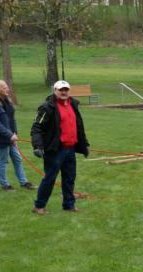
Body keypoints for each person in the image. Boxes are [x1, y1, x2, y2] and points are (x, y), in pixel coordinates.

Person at [30, 80, 90, 215]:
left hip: (70, 149)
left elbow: (78, 127)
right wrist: (37, 146)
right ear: (55, 91)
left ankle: (69, 205)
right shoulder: (47, 107)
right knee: (50, 179)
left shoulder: (73, 104)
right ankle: (39, 206)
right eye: (61, 90)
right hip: (55, 150)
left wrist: (84, 144)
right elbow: (36, 128)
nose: (63, 92)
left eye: (66, 90)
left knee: (69, 178)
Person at [0, 80, 35, 192]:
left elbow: (12, 119)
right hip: (1, 139)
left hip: (11, 137)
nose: (7, 89)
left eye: (6, 86)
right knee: (3, 161)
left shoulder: (7, 101)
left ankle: (24, 182)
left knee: (17, 159)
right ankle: (5, 185)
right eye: (4, 87)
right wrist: (9, 135)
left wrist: (14, 132)